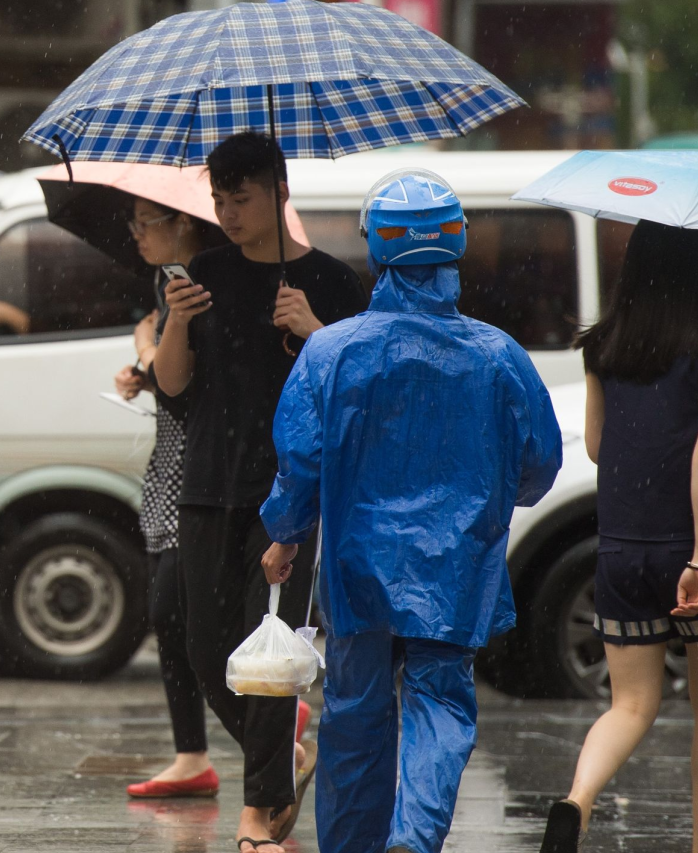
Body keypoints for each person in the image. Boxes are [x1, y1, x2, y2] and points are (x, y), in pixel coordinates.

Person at [259, 168, 562, 853]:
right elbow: (540, 465)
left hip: (356, 564)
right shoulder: (499, 356)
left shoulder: (329, 351)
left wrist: (284, 532)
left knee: (355, 715)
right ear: (455, 247)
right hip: (456, 569)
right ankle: (414, 837)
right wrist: (478, 495)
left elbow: (299, 461)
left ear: (376, 250)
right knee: (440, 705)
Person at [153, 132, 366, 852]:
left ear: (279, 191)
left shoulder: (335, 285)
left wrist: (314, 332)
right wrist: (177, 320)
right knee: (207, 648)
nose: (227, 211)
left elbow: (358, 398)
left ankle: (258, 812)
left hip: (295, 494)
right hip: (210, 484)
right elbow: (173, 385)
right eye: (218, 199)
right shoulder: (201, 274)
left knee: (268, 651)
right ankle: (281, 757)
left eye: (240, 198)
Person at [538, 221, 698, 853]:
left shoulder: (603, 343)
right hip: (696, 548)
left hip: (622, 548)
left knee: (629, 705)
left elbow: (600, 446)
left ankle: (577, 800)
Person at [114, 198, 220, 799]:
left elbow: (197, 382)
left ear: (182, 221)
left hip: (206, 466)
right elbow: (169, 378)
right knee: (169, 614)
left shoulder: (210, 282)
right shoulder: (166, 282)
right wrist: (142, 368)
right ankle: (192, 755)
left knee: (177, 609)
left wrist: (151, 354)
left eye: (145, 222)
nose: (136, 235)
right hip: (171, 463)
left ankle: (266, 719)